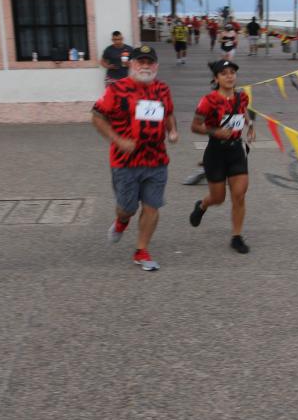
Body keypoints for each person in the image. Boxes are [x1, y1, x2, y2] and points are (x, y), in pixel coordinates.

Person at [92, 45, 179, 271]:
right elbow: (97, 116)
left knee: (152, 206)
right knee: (127, 208)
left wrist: (172, 131)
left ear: (156, 66)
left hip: (157, 160)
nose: (145, 66)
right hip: (125, 162)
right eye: (140, 61)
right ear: (131, 64)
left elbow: (168, 112)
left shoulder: (163, 89)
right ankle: (122, 221)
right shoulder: (117, 89)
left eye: (149, 62)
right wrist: (118, 140)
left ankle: (141, 250)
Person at [189, 59, 255, 254]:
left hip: (236, 151)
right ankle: (202, 205)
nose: (229, 76)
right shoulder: (208, 101)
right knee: (218, 198)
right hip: (216, 152)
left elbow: (243, 113)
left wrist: (250, 127)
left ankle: (236, 236)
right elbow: (194, 126)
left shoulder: (242, 97)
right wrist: (215, 132)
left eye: (232, 72)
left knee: (239, 195)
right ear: (216, 78)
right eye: (224, 73)